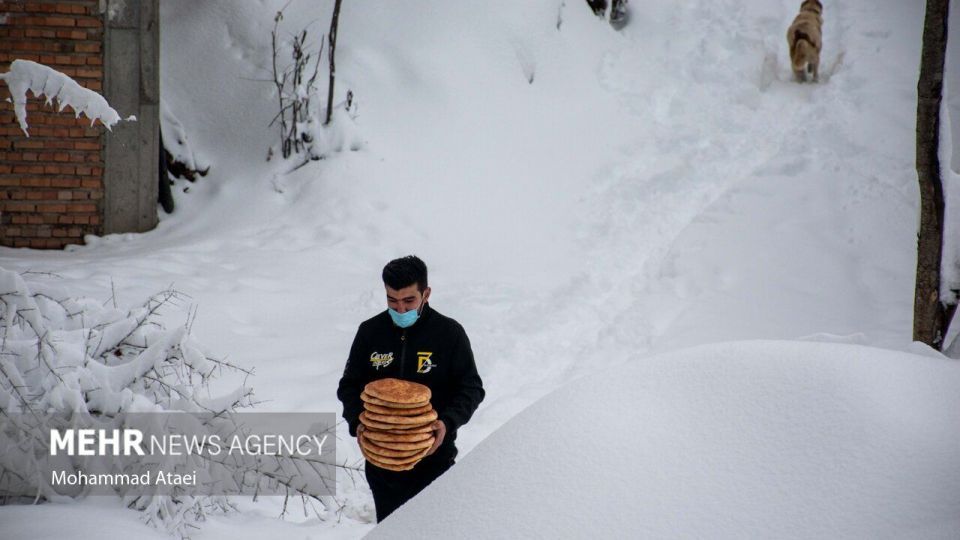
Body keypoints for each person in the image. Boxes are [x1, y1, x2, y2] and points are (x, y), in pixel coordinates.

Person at [337, 255, 485, 522]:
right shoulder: (370, 332)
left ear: (425, 293)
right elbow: (349, 386)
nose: (401, 310)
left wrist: (447, 423)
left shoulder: (449, 333)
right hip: (382, 465)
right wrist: (357, 420)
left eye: (408, 301)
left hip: (433, 461)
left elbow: (471, 388)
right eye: (392, 301)